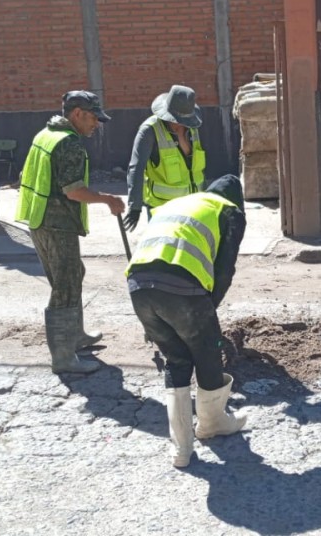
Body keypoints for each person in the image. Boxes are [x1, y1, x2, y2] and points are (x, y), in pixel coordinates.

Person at [125, 174, 247, 468]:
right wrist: (209, 309)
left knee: (177, 360)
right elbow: (224, 271)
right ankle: (212, 423)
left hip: (139, 288)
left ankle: (181, 449)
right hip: (182, 289)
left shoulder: (181, 204)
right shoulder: (229, 211)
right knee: (207, 351)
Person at [15, 90, 126, 374]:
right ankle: (63, 357)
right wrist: (108, 200)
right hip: (56, 222)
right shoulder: (69, 144)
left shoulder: (46, 134)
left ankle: (74, 336)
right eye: (93, 118)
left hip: (39, 218)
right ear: (77, 114)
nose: (97, 124)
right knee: (64, 285)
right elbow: (74, 190)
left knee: (74, 273)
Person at [123, 84, 206, 233]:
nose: (179, 124)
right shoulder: (149, 131)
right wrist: (135, 206)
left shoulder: (193, 128)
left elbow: (197, 169)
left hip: (193, 207)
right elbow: (136, 168)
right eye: (176, 118)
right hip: (162, 209)